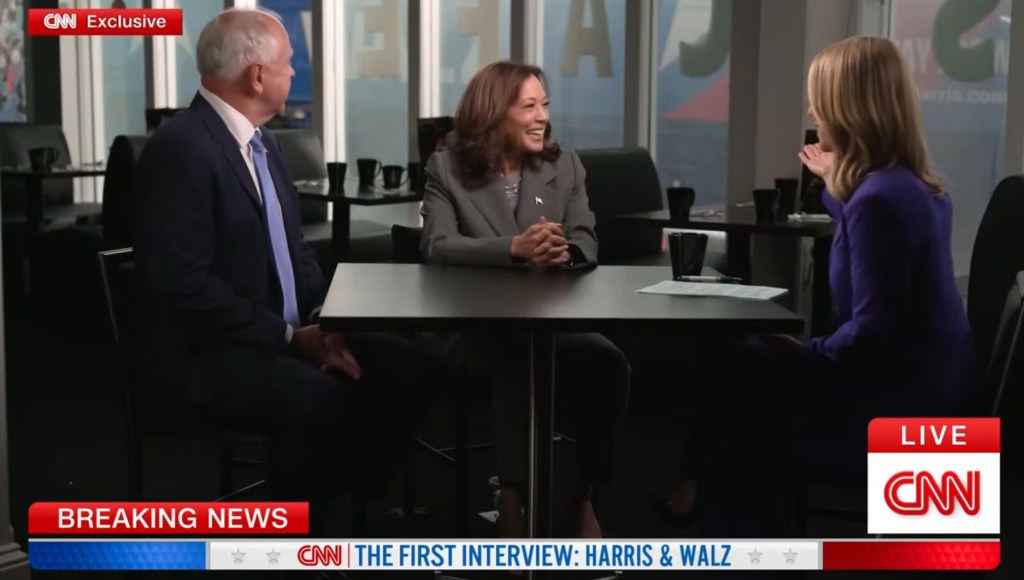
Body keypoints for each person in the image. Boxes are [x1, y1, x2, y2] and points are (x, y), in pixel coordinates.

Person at [134, 8, 437, 535]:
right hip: (211, 352)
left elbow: (293, 250)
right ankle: (298, 547)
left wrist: (326, 319)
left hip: (288, 334)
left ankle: (346, 510)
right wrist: (291, 337)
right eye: (288, 64)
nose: (293, 73)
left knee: (410, 369)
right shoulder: (179, 148)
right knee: (322, 400)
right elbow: (182, 282)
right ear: (257, 75)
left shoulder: (265, 143)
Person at [667, 36, 975, 536]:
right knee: (751, 365)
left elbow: (873, 333)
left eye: (820, 99)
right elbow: (870, 233)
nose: (812, 110)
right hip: (937, 385)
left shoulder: (878, 201)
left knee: (747, 373)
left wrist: (808, 353)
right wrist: (838, 188)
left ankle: (718, 518)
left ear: (850, 107)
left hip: (897, 404)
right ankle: (702, 499)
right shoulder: (914, 189)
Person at [419, 61, 630, 539]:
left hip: (549, 321)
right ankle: (513, 494)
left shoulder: (565, 165)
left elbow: (586, 241)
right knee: (518, 353)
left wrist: (565, 253)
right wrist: (512, 248)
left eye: (545, 105)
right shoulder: (446, 169)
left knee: (610, 363)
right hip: (473, 327)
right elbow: (436, 246)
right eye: (529, 106)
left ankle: (582, 495)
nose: (542, 118)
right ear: (495, 114)